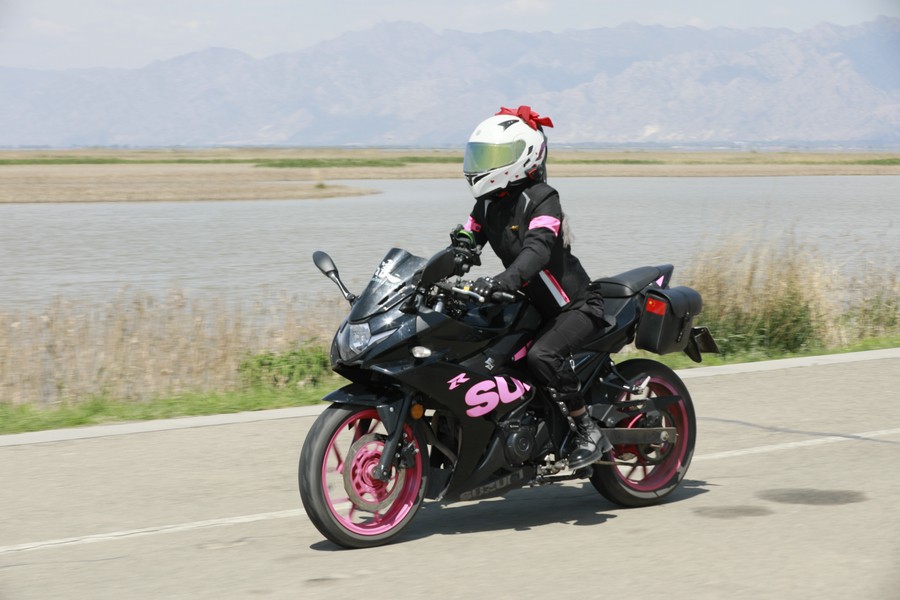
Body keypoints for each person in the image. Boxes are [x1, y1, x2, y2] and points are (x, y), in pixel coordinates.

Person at [455, 105, 612, 470]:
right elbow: (467, 238)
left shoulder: (542, 198)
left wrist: (503, 281)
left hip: (575, 306)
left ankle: (587, 430)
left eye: (492, 157)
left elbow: (537, 250)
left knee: (542, 356)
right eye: (480, 156)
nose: (481, 165)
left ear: (522, 156)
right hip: (533, 306)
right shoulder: (487, 205)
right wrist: (447, 263)